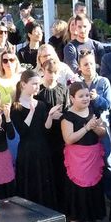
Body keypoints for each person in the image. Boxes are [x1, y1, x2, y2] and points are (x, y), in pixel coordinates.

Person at [17, 58, 69, 213]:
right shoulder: (17, 106)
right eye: (33, 84)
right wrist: (32, 111)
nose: (35, 87)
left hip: (42, 147)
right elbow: (23, 131)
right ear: (23, 85)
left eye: (36, 84)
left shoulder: (40, 104)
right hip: (27, 150)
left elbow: (45, 128)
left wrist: (49, 116)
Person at [59, 81, 109, 222]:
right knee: (77, 189)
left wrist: (97, 127)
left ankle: (87, 217)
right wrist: (87, 127)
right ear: (73, 98)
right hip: (77, 158)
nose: (86, 98)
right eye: (81, 96)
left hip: (93, 155)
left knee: (92, 188)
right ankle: (74, 219)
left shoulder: (92, 111)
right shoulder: (67, 117)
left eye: (87, 95)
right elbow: (69, 139)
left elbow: (102, 133)